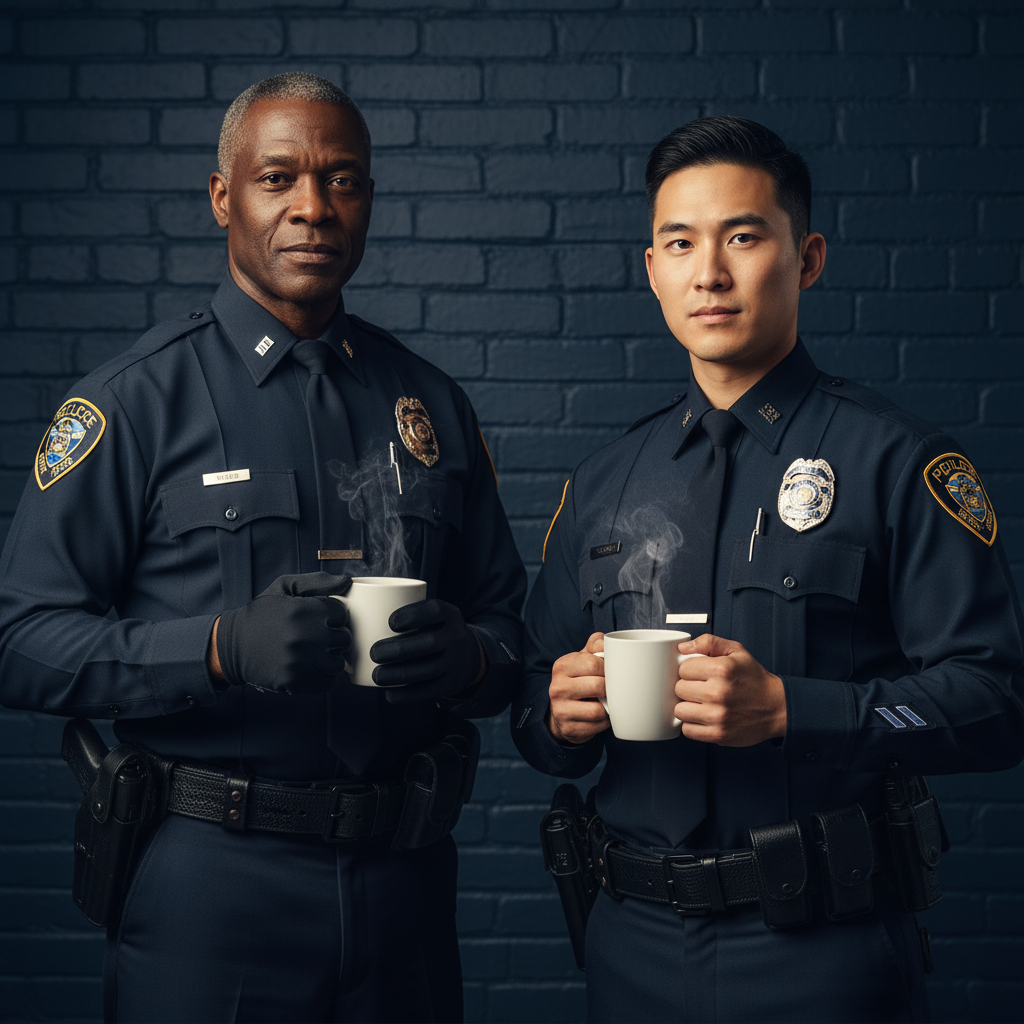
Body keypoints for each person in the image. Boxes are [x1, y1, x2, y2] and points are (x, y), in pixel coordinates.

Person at [0, 73, 525, 1023]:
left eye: (343, 180)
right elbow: (19, 639)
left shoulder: (432, 407)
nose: (313, 208)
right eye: (277, 178)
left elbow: (510, 635)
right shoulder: (133, 403)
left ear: (368, 201)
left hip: (404, 881)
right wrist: (216, 648)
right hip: (210, 886)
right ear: (222, 198)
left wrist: (472, 656)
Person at [512, 116, 1024, 1023]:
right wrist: (559, 714)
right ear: (653, 270)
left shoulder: (896, 462)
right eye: (680, 243)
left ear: (808, 257)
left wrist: (796, 710)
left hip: (822, 948)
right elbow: (528, 710)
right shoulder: (600, 486)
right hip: (628, 942)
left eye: (742, 236)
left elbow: (996, 699)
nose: (708, 272)